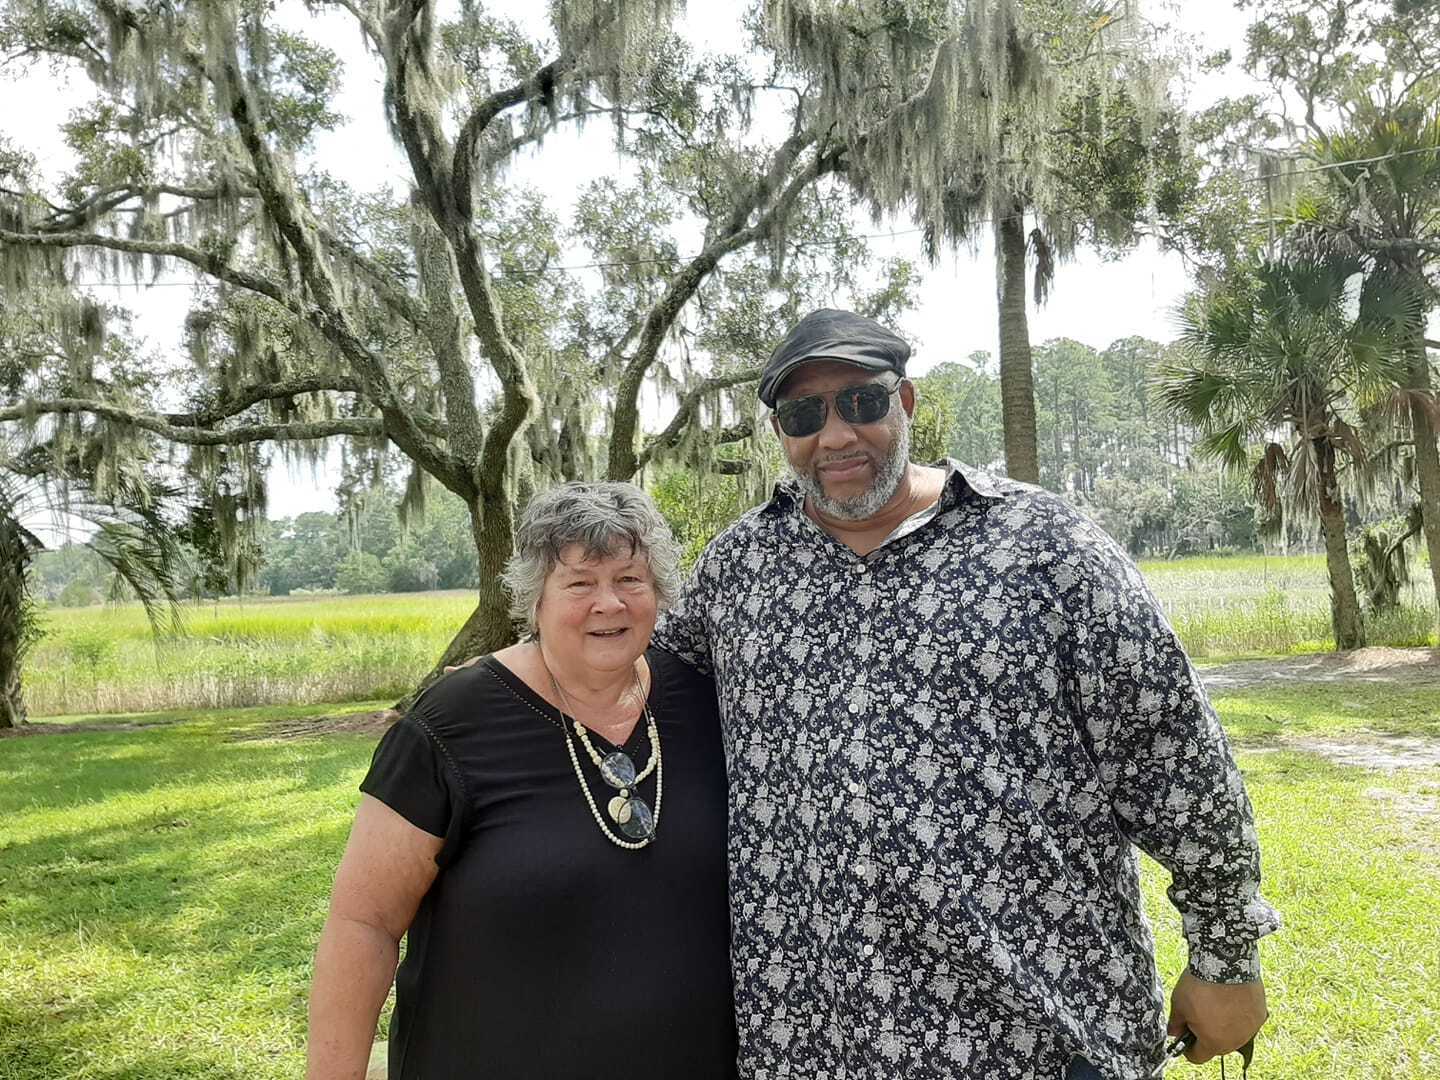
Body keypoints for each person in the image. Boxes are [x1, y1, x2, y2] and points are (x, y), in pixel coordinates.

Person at [652, 309, 1281, 1080]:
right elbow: (621, 689)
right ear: (782, 433)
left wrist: (1226, 956)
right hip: (811, 1041)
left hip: (1036, 1035)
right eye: (804, 414)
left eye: (862, 402)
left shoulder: (1046, 546)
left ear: (906, 402)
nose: (837, 435)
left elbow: (1177, 758)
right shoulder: (738, 569)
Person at [307, 482, 736, 1080]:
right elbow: (364, 924)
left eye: (630, 579)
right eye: (580, 583)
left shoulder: (704, 701)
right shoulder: (448, 726)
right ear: (534, 598)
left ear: (658, 592)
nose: (608, 603)